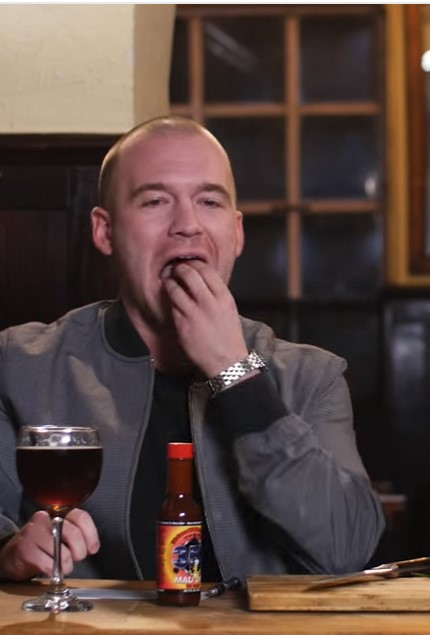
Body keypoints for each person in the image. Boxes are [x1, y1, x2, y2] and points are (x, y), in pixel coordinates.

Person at [0, 116, 385, 583]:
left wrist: (235, 372)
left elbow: (347, 550)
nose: (187, 226)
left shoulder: (311, 377)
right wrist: (9, 552)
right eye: (155, 201)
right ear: (105, 231)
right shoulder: (20, 364)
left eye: (209, 201)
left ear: (236, 233)